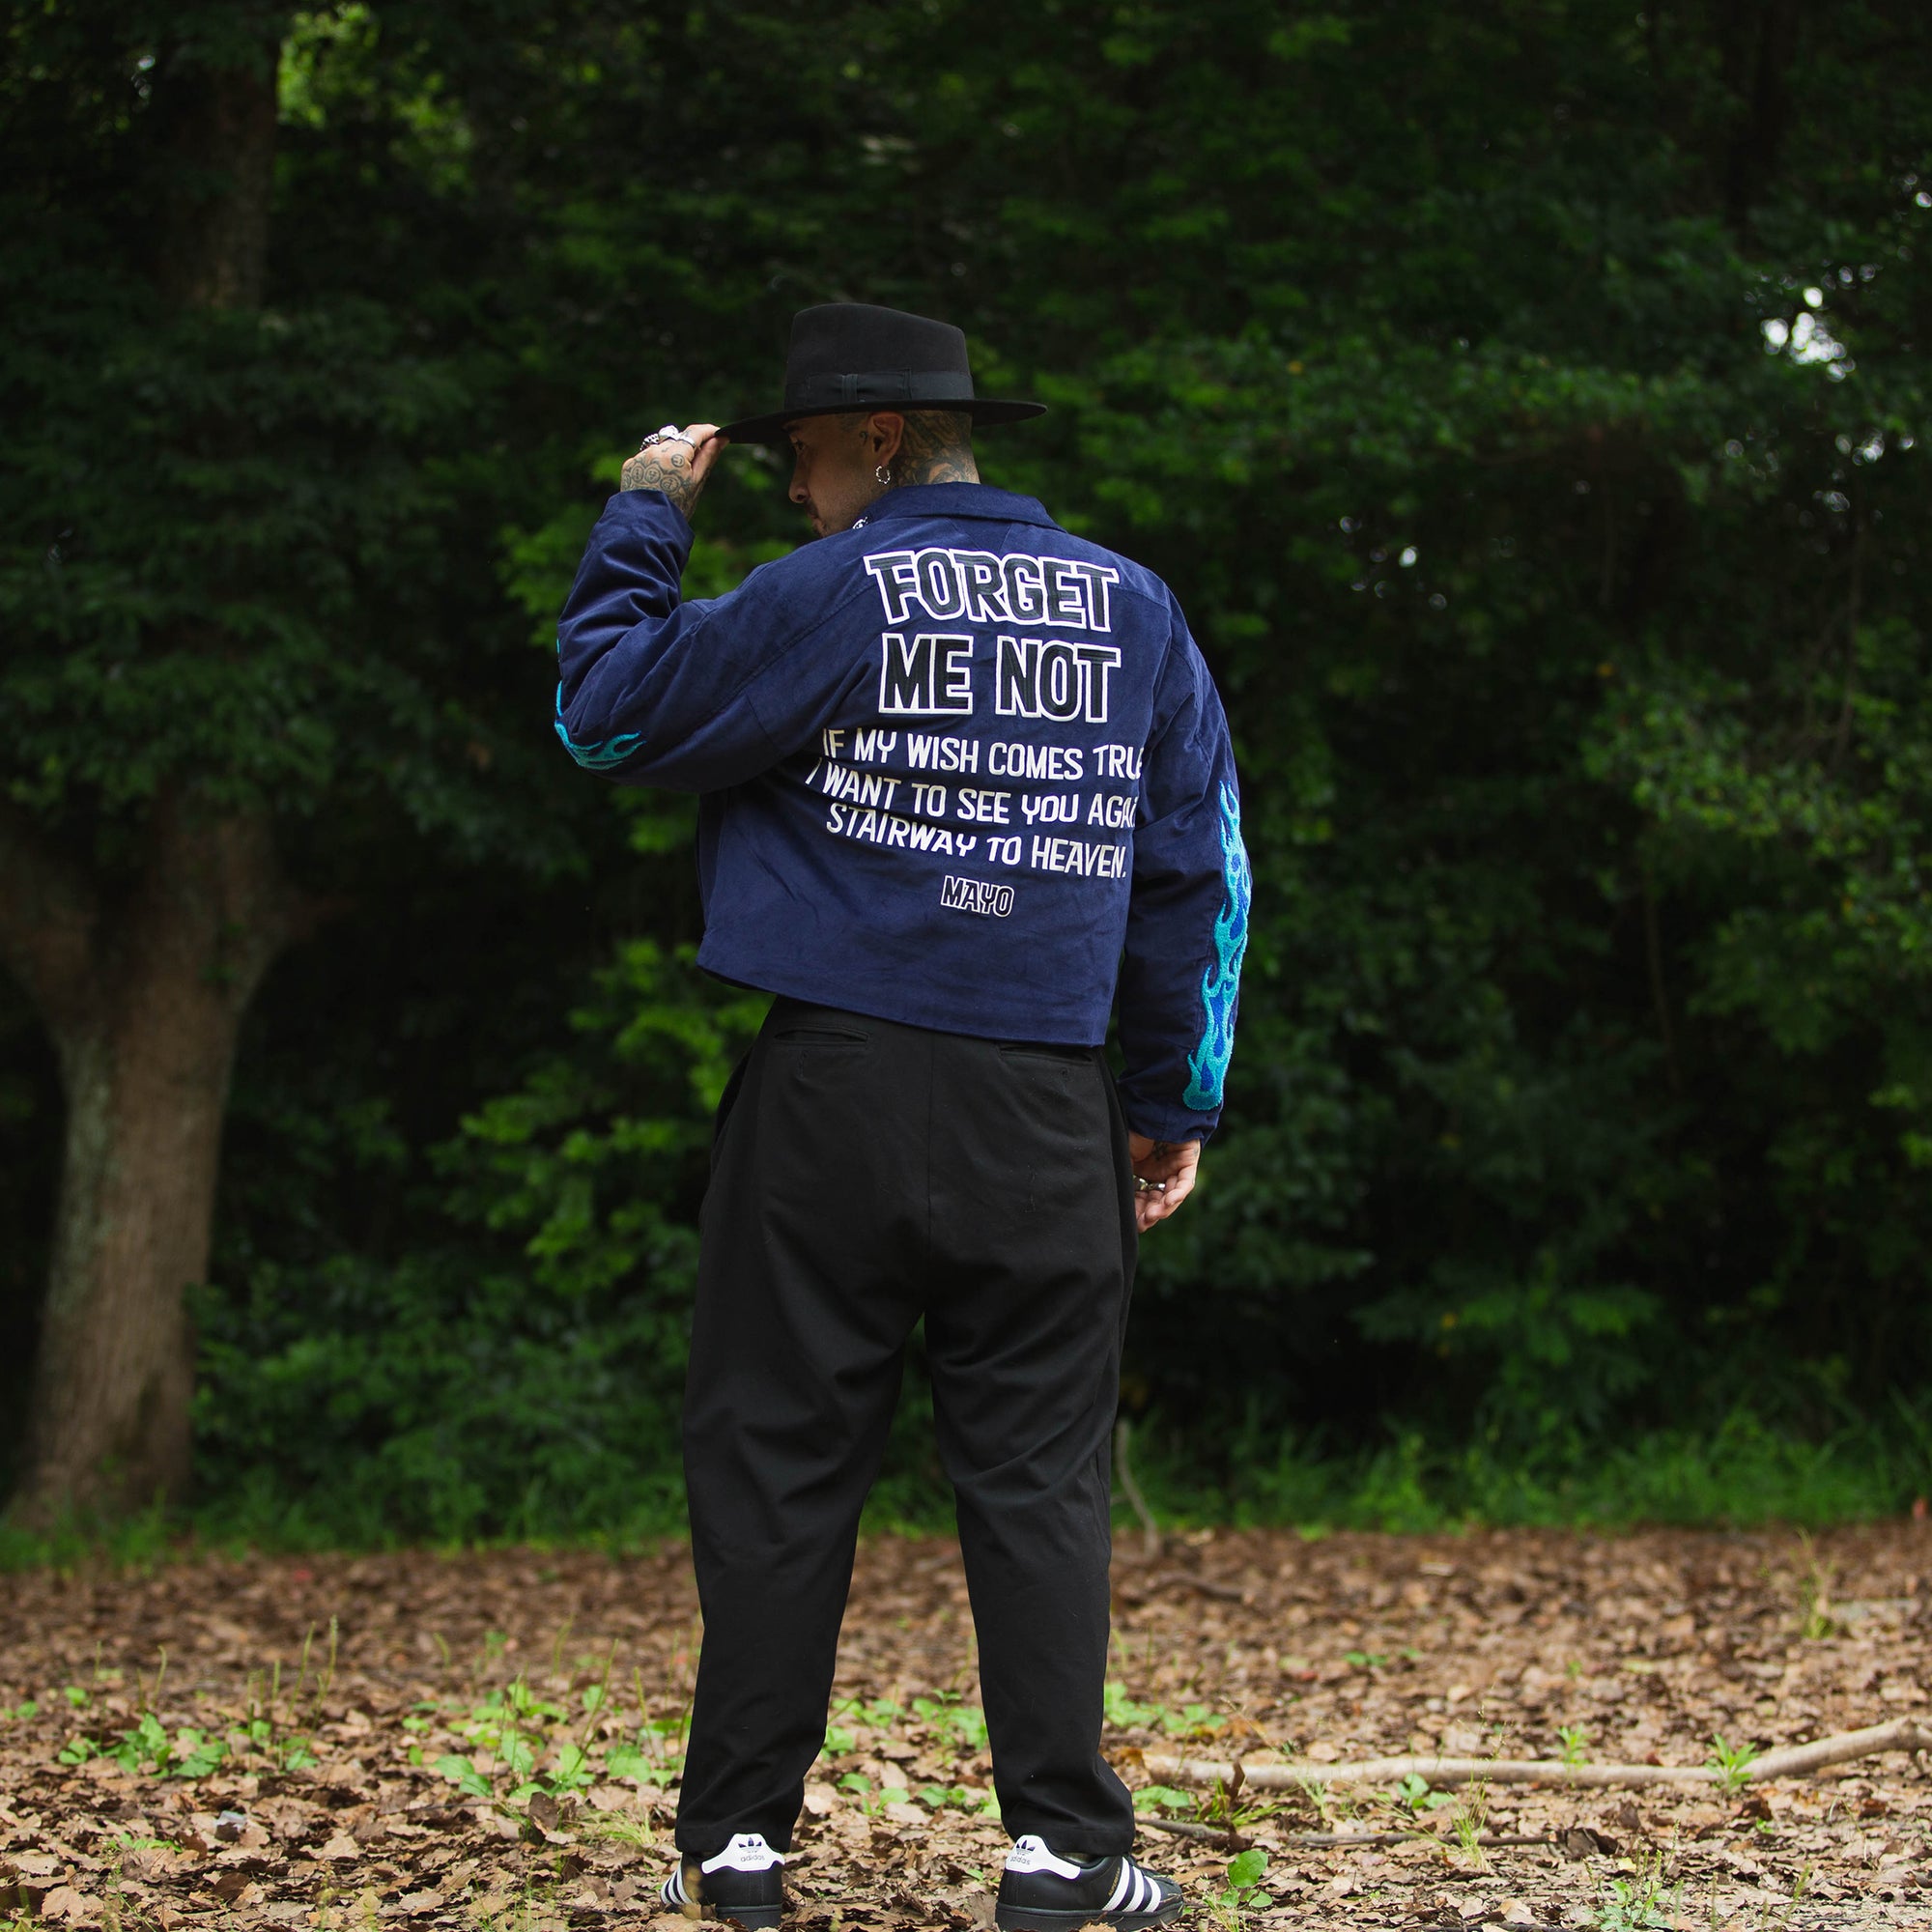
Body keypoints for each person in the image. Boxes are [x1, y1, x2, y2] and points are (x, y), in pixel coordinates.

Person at [554, 303, 1247, 1932]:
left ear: (877, 442)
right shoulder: (1137, 611)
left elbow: (607, 712)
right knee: (1038, 1478)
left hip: (832, 1097)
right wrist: (1168, 1104)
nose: (795, 493)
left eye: (801, 460)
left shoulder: (836, 588)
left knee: (781, 1458)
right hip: (1039, 1101)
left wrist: (650, 507)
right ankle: (1067, 1855)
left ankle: (736, 1846)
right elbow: (1195, 870)